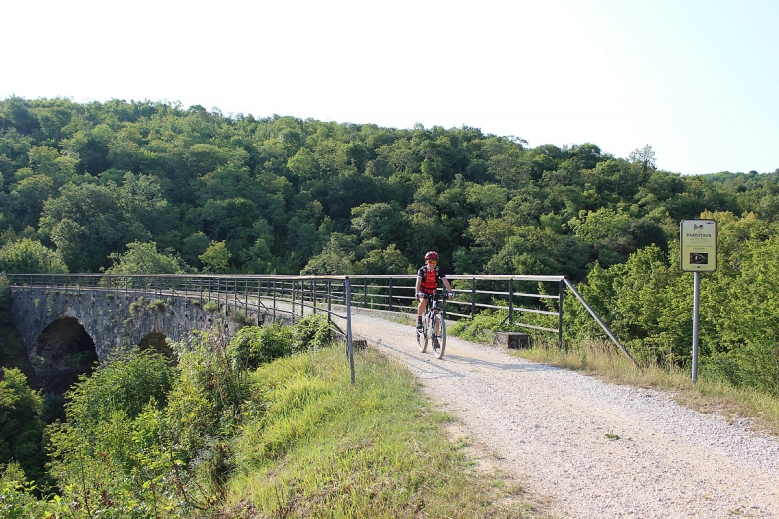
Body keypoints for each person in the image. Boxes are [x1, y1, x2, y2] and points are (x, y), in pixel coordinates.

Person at [415, 251, 453, 333]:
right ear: (426, 262)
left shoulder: (438, 270)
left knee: (436, 312)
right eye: (430, 261)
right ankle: (419, 318)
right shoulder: (422, 270)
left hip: (433, 292)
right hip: (423, 291)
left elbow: (445, 281)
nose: (432, 264)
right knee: (424, 301)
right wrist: (417, 292)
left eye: (434, 262)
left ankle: (436, 335)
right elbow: (418, 281)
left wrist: (450, 292)